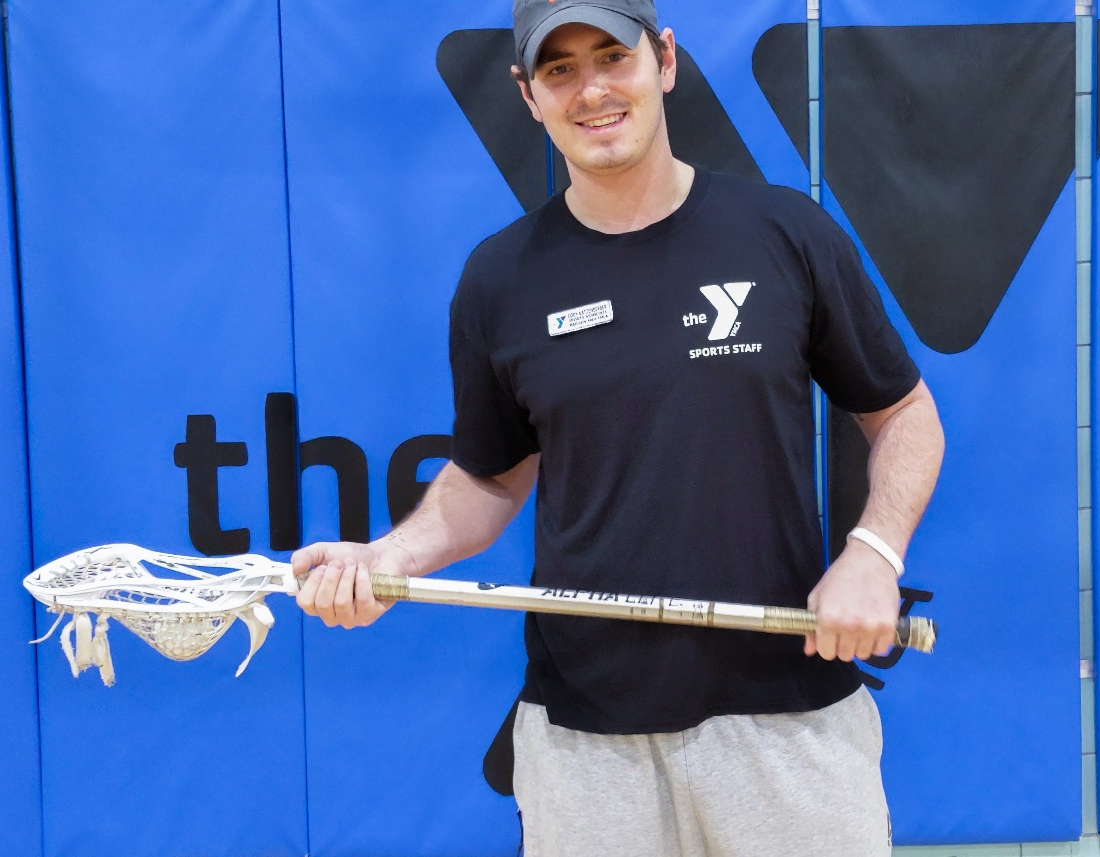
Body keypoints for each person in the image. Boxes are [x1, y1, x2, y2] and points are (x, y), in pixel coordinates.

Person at [293, 0, 945, 853]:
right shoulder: (499, 278)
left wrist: (874, 554)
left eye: (612, 56)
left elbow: (904, 414)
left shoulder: (785, 233)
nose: (592, 90)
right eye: (559, 70)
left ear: (664, 60)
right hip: (584, 738)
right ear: (528, 95)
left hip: (787, 714)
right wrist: (389, 558)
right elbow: (490, 476)